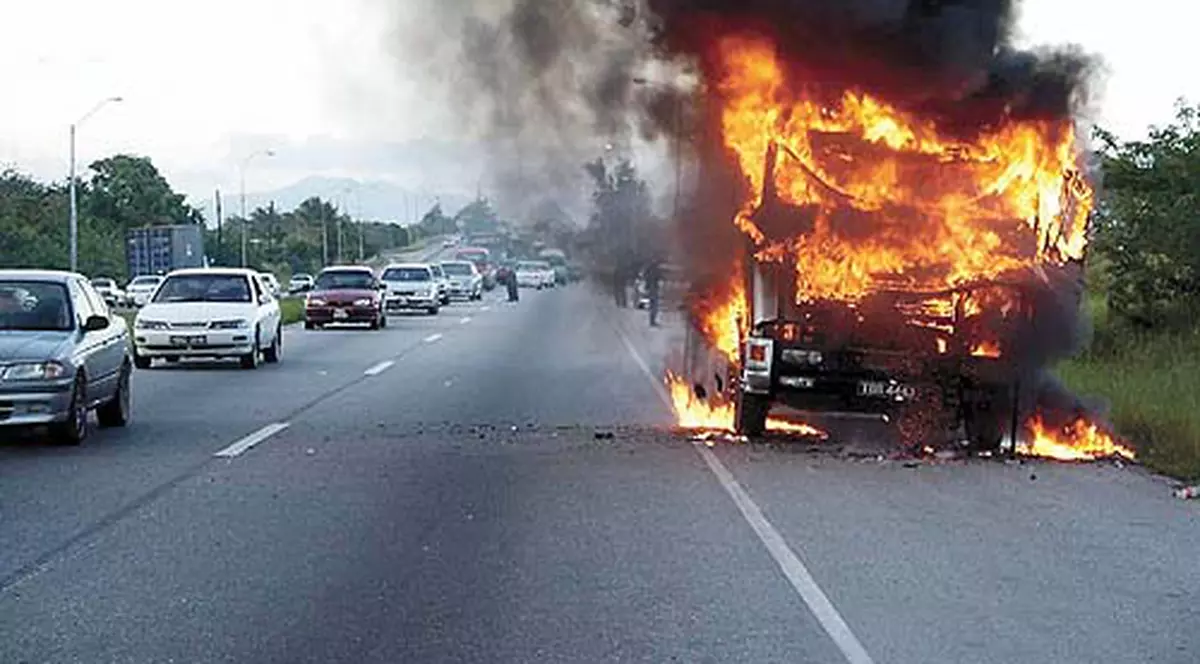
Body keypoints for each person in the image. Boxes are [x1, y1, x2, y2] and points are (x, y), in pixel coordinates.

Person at [644, 259, 663, 327]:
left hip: (651, 289)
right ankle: (652, 321)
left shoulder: (649, 269)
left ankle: (652, 320)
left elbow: (645, 277)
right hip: (653, 289)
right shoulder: (655, 271)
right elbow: (659, 277)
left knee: (652, 305)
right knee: (654, 306)